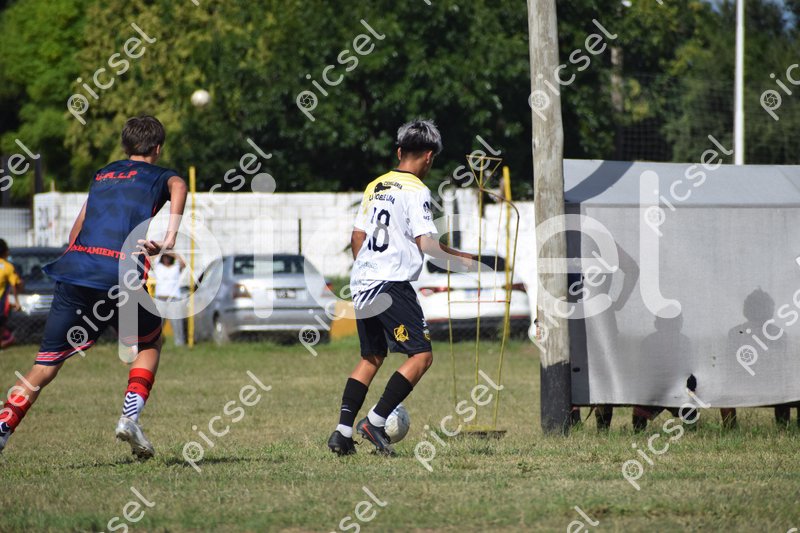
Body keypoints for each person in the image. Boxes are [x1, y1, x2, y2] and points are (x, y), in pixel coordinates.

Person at [0, 115, 187, 459]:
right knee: (150, 341)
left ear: (125, 146)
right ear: (158, 148)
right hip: (119, 274)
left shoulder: (103, 175)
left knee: (45, 365)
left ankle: (4, 426)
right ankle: (129, 418)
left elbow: (77, 230)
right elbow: (179, 185)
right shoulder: (159, 175)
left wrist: (79, 265)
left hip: (75, 272)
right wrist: (170, 238)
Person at [327, 119, 474, 456]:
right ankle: (375, 422)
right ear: (429, 156)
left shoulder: (375, 185)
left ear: (398, 151)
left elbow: (357, 237)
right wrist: (460, 258)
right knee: (421, 356)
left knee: (372, 357)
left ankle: (342, 433)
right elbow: (426, 243)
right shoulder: (417, 190)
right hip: (391, 283)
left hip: (363, 282)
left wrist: (368, 269)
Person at [153, 253, 186, 346]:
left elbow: (183, 264)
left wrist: (173, 253)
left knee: (177, 323)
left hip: (174, 299)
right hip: (160, 298)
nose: (166, 259)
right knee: (157, 324)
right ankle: (155, 342)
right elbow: (152, 258)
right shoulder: (158, 266)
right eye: (165, 257)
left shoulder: (176, 267)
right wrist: (162, 250)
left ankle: (179, 343)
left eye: (168, 257)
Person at [0, 239, 22, 349]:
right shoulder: (7, 266)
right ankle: (8, 339)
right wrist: (17, 302)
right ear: (5, 251)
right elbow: (15, 285)